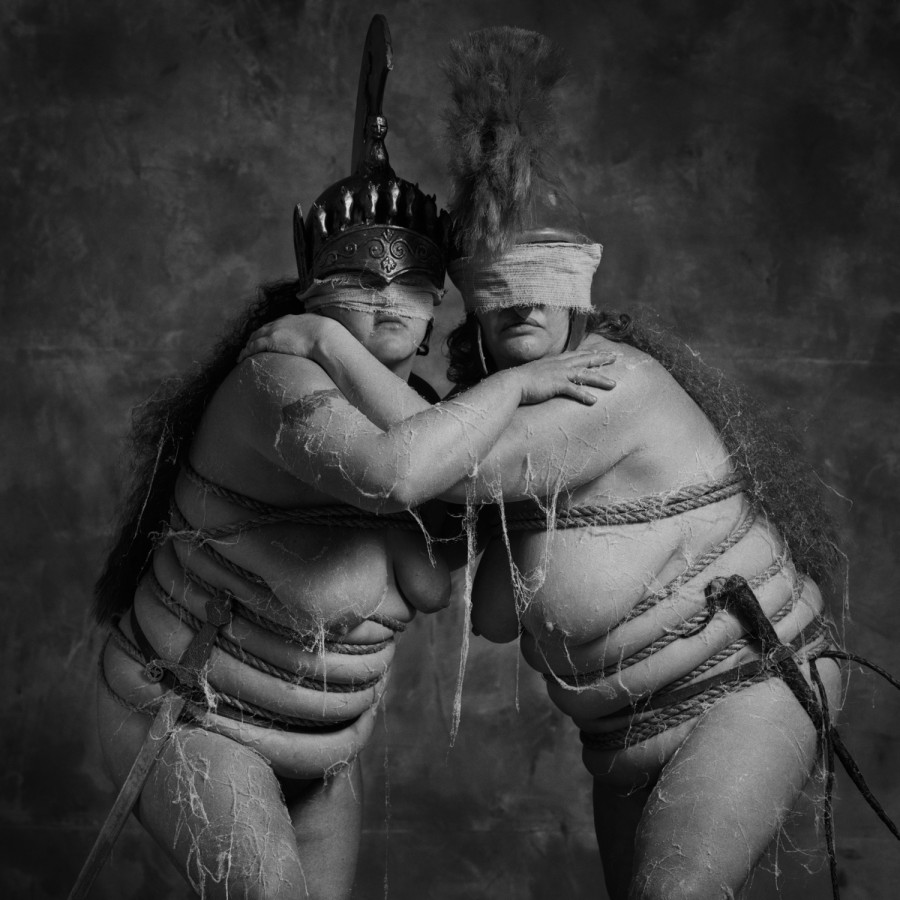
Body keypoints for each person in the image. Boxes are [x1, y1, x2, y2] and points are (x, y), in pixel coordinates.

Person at [240, 26, 890, 900]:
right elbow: (496, 617)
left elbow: (435, 469)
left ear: (579, 286)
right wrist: (495, 427)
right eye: (499, 290)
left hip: (738, 687)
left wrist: (329, 342)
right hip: (622, 729)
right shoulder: (505, 419)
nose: (524, 305)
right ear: (468, 306)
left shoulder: (611, 380)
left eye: (545, 279)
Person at [76, 18, 617, 900]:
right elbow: (389, 474)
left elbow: (458, 585)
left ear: (438, 301)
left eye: (412, 284)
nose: (390, 300)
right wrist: (519, 385)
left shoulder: (435, 416)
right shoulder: (276, 372)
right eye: (360, 281)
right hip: (197, 716)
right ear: (311, 289)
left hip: (326, 748)